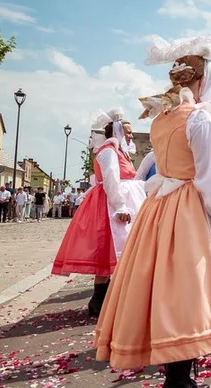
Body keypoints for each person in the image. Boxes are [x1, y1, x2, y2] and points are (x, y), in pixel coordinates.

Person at [96, 35, 211, 388]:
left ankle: (177, 377)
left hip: (160, 206)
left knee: (164, 287)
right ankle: (179, 384)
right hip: (188, 206)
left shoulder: (161, 118)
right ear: (201, 80)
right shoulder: (198, 118)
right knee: (188, 287)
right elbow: (210, 178)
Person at [52, 109, 148, 317]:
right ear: (117, 131)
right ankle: (100, 300)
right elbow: (111, 180)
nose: (131, 136)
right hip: (111, 206)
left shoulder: (119, 152)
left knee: (111, 254)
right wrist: (120, 206)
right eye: (128, 132)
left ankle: (102, 301)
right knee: (112, 251)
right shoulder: (108, 152)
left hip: (121, 203)